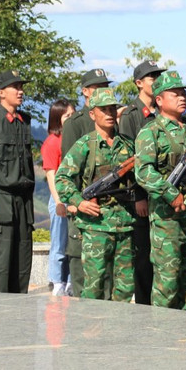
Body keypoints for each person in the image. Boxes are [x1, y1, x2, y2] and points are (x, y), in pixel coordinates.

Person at [135, 70, 186, 311]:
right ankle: (162, 338)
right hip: (167, 218)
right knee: (167, 283)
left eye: (183, 93)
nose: (182, 97)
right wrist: (170, 193)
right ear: (159, 100)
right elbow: (143, 172)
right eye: (175, 94)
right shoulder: (151, 132)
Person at [55, 89, 136, 301]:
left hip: (125, 224)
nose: (109, 113)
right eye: (103, 110)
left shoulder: (128, 144)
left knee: (125, 288)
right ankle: (91, 333)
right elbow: (62, 178)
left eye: (112, 109)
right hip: (96, 226)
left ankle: (119, 331)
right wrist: (79, 203)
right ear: (92, 114)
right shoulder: (84, 145)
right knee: (94, 286)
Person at [0, 69, 36, 294]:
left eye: (22, 87)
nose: (20, 92)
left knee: (23, 263)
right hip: (1, 199)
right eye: (16, 87)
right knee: (1, 264)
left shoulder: (24, 121)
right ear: (1, 92)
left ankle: (19, 319)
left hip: (24, 201)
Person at [60, 68, 112, 295]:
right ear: (85, 92)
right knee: (84, 274)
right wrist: (74, 202)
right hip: (83, 203)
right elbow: (68, 167)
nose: (103, 91)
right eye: (98, 88)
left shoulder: (111, 120)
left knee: (107, 276)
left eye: (105, 87)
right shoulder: (76, 123)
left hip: (108, 210)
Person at [119, 59, 164, 306]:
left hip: (160, 194)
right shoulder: (131, 115)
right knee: (144, 258)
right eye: (151, 78)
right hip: (141, 197)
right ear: (138, 83)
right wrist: (138, 195)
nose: (156, 81)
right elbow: (128, 161)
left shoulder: (159, 112)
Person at [42, 98, 74, 296]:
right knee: (59, 243)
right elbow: (51, 174)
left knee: (72, 242)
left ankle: (70, 282)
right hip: (60, 199)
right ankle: (57, 281)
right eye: (66, 116)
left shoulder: (73, 138)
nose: (71, 119)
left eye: (73, 115)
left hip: (73, 198)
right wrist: (58, 201)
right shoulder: (52, 142)